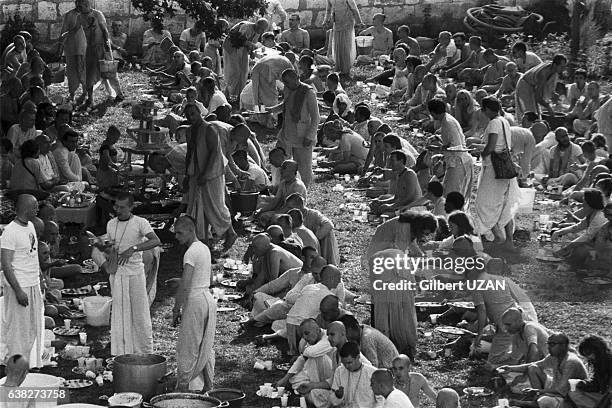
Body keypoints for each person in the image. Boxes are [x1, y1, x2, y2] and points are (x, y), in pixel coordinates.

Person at [104, 192, 159, 356]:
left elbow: (155, 240)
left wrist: (134, 248)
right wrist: (104, 247)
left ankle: (143, 350)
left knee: (139, 312)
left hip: (135, 272)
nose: (118, 210)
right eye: (116, 206)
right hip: (117, 273)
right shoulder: (110, 224)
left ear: (131, 207)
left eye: (122, 207)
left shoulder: (140, 222)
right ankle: (121, 350)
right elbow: (110, 245)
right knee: (120, 312)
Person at [463, 257, 538, 369]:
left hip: (508, 326)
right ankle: (517, 353)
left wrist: (478, 336)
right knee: (488, 344)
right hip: (519, 319)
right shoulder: (498, 279)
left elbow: (482, 312)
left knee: (492, 363)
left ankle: (518, 358)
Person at [171, 216, 216, 392]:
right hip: (207, 298)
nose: (177, 237)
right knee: (205, 345)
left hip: (196, 301)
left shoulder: (190, 252)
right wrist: (181, 281)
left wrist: (176, 309)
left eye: (179, 233)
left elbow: (186, 284)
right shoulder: (204, 248)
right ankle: (208, 385)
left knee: (188, 347)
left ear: (191, 230)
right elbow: (207, 278)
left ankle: (182, 388)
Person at [184, 104, 237, 249]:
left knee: (216, 206)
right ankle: (204, 240)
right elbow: (189, 152)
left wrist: (206, 174)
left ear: (199, 112)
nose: (191, 117)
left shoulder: (209, 129)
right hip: (195, 173)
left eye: (193, 113)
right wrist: (187, 175)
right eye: (188, 115)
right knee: (199, 206)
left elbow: (215, 153)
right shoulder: (189, 131)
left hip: (212, 174)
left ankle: (231, 233)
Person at [0, 194, 44, 368]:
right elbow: (6, 265)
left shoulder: (31, 226)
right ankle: (15, 368)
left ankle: (30, 365)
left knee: (33, 327)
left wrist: (40, 276)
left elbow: (32, 255)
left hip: (33, 283)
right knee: (19, 331)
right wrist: (18, 291)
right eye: (35, 207)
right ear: (26, 208)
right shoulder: (10, 232)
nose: (37, 209)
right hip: (20, 286)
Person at [473, 96, 520, 248]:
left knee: (484, 203)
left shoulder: (494, 122)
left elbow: (492, 146)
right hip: (505, 164)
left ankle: (498, 237)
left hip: (495, 167)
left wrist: (482, 154)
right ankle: (509, 241)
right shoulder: (504, 121)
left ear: (487, 109)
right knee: (503, 203)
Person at [498, 333, 588, 408]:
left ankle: (535, 402)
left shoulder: (571, 362)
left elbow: (561, 390)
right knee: (532, 368)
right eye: (548, 344)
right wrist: (511, 368)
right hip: (554, 387)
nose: (548, 347)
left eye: (552, 344)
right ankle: (538, 400)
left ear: (563, 346)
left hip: (570, 395)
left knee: (546, 401)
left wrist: (537, 390)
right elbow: (535, 364)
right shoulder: (554, 356)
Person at [270, 69, 319, 186]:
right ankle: (280, 188)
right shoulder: (288, 89)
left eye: (287, 82)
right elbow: (285, 105)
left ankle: (303, 192)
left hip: (302, 135)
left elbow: (315, 117)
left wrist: (310, 136)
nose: (285, 85)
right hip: (286, 133)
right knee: (279, 161)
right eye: (284, 82)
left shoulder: (308, 92)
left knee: (303, 167)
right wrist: (271, 110)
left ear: (296, 78)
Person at [276, 319, 334, 406]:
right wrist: (285, 379)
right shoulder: (313, 340)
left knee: (316, 356)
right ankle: (310, 392)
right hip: (321, 377)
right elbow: (302, 359)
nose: (305, 338)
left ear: (317, 330)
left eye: (306, 333)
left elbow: (310, 353)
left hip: (332, 378)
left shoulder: (328, 338)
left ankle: (310, 392)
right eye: (302, 335)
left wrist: (304, 353)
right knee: (294, 379)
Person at [428, 99, 474, 204]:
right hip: (455, 162)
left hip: (458, 162)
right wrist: (438, 138)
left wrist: (436, 149)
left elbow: (456, 147)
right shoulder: (446, 120)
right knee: (450, 193)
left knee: (451, 196)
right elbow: (450, 140)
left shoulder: (448, 123)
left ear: (433, 113)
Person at [285, 193, 340, 265]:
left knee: (327, 233)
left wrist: (314, 237)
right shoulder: (290, 216)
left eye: (290, 207)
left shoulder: (313, 215)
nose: (288, 210)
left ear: (299, 206)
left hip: (314, 248)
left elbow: (328, 224)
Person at [223, 19, 269, 100]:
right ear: (256, 24)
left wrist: (252, 52)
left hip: (242, 49)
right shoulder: (246, 26)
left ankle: (240, 95)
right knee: (235, 71)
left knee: (244, 71)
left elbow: (251, 46)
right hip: (231, 48)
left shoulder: (257, 32)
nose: (261, 31)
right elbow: (239, 40)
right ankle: (230, 94)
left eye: (263, 29)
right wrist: (252, 45)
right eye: (261, 28)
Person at [515, 55, 567, 122]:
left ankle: (537, 126)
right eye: (561, 67)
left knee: (538, 113)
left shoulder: (554, 72)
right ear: (554, 65)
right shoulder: (543, 74)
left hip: (533, 85)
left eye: (564, 66)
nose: (563, 69)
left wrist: (554, 95)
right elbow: (538, 97)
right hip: (525, 84)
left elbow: (550, 89)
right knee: (531, 113)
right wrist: (548, 107)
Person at [370, 150, 422, 215]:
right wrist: (381, 202)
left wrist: (391, 206)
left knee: (385, 214)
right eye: (389, 160)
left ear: (401, 161)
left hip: (412, 207)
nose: (390, 163)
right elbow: (396, 198)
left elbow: (409, 198)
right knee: (378, 205)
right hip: (403, 205)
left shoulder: (409, 174)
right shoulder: (398, 174)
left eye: (392, 160)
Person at [256, 160, 307, 224]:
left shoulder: (297, 186)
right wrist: (261, 210)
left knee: (268, 217)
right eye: (282, 167)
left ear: (292, 171)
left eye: (284, 168)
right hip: (282, 207)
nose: (281, 170)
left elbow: (291, 208)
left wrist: (273, 214)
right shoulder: (283, 182)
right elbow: (276, 201)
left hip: (293, 213)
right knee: (259, 200)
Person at [330, 342, 378, 407]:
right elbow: (333, 401)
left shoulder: (372, 373)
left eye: (349, 362)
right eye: (344, 363)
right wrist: (338, 396)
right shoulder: (339, 371)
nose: (346, 366)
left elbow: (380, 401)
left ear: (358, 357)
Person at [568, 335, 612, 408]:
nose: (588, 357)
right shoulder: (598, 363)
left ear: (597, 349)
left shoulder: (609, 361)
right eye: (585, 355)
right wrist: (582, 383)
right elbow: (596, 383)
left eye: (588, 353)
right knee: (572, 392)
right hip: (603, 394)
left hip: (608, 397)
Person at [323, 0, 363, 76]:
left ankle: (346, 69)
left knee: (345, 46)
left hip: (347, 23)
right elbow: (328, 10)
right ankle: (339, 67)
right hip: (337, 23)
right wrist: (325, 21)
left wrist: (359, 21)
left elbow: (354, 8)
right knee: (338, 45)